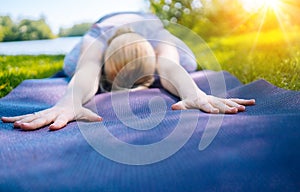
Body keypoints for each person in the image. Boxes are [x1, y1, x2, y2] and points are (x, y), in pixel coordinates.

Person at [1, 12, 255, 131]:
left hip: (142, 21)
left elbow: (169, 66)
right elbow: (88, 68)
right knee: (74, 66)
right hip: (106, 22)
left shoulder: (157, 36)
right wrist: (69, 101)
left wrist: (194, 93)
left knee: (184, 62)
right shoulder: (96, 38)